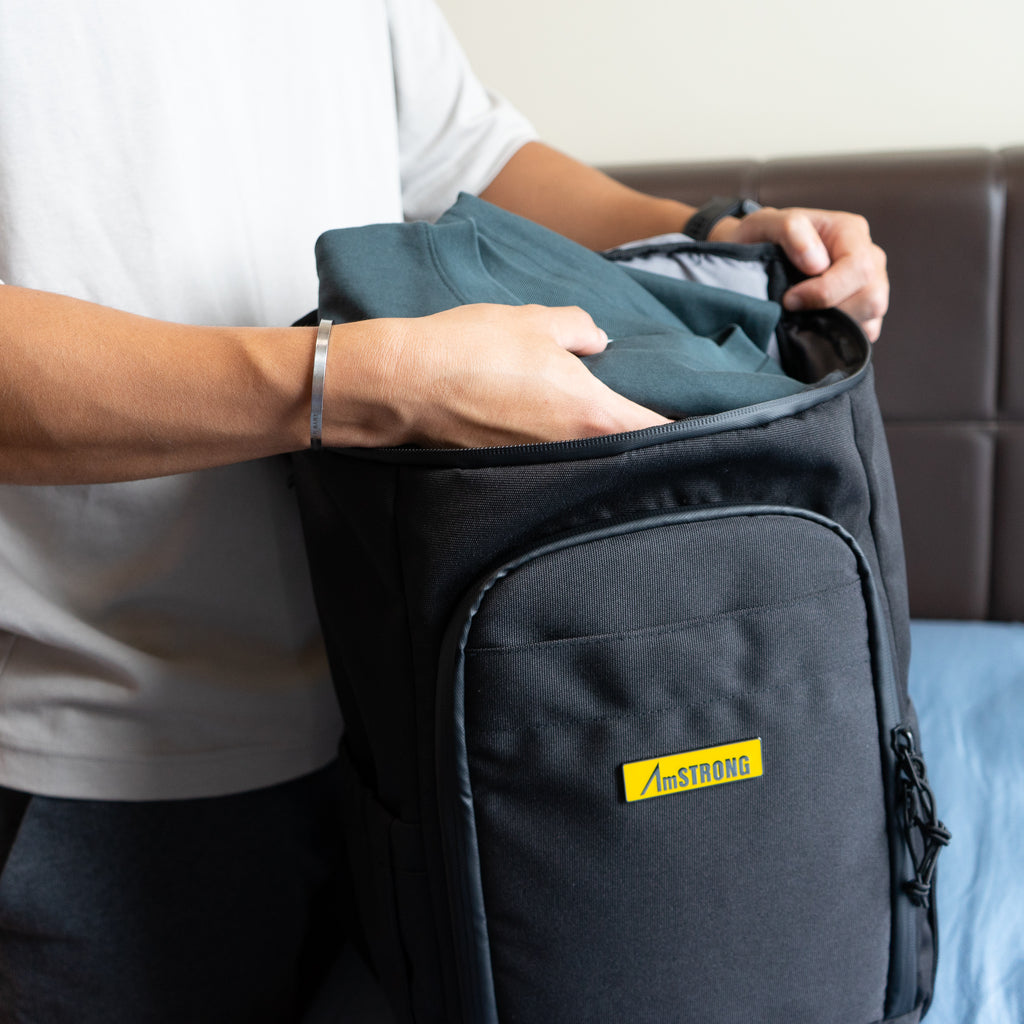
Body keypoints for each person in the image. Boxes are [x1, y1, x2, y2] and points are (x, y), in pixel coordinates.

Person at [0, 1, 888, 1021]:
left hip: (419, 701)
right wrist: (359, 385)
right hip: (97, 753)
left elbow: (461, 153)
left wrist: (707, 235)